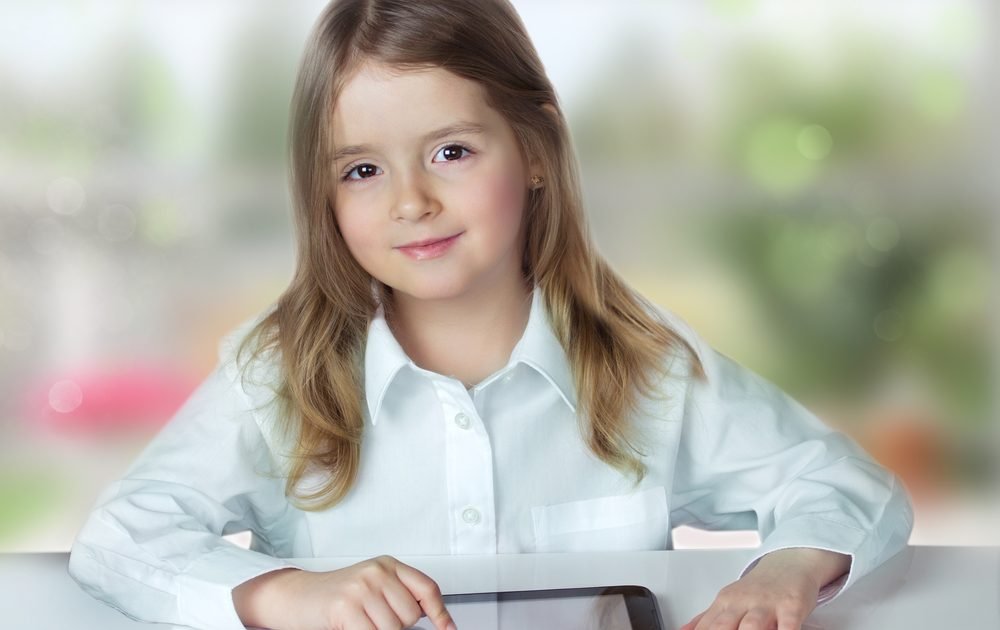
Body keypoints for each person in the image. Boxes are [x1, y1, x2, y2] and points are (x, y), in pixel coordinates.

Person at [68, 1, 914, 629]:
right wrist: (284, 593)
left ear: (536, 152)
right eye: (362, 171)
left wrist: (785, 573)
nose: (412, 202)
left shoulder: (642, 363)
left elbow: (845, 486)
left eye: (452, 152)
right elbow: (121, 540)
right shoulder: (279, 375)